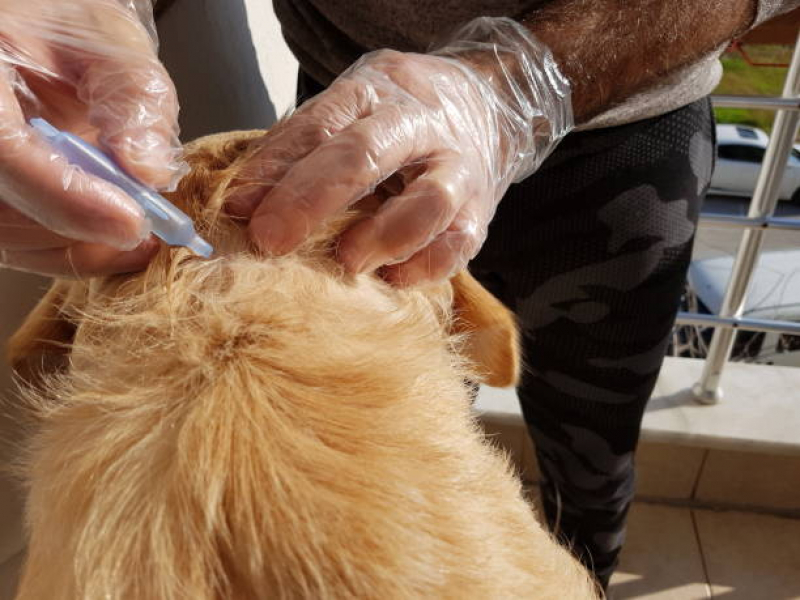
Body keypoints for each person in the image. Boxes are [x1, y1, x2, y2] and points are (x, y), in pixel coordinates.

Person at [1, 0, 798, 590]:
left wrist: (515, 84)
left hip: (622, 146)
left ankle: (590, 551)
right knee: (427, 409)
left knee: (592, 447)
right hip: (348, 115)